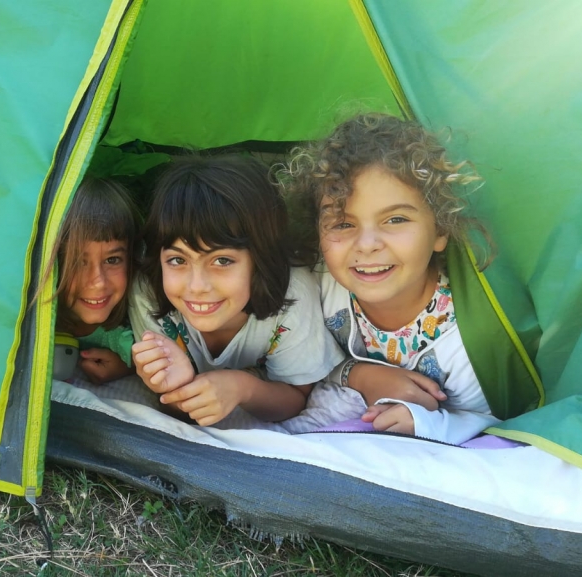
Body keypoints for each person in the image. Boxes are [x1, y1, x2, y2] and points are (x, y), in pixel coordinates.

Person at [281, 112, 498, 444]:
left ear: (441, 230)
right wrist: (360, 375)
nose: (367, 244)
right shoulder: (318, 285)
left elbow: (487, 421)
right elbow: (299, 365)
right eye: (343, 223)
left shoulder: (467, 339)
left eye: (395, 219)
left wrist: (425, 423)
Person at [130, 155, 344, 426]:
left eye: (222, 260)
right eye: (177, 260)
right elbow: (175, 409)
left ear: (261, 259)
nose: (197, 286)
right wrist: (171, 387)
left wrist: (243, 388)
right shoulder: (149, 292)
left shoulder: (293, 292)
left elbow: (297, 397)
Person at [38, 177, 142, 384]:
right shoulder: (31, 319)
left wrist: (126, 367)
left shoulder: (125, 337)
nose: (98, 282)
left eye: (112, 260)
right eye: (77, 261)